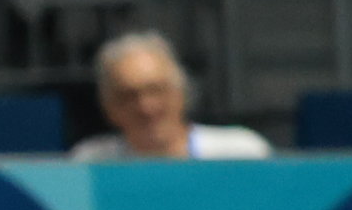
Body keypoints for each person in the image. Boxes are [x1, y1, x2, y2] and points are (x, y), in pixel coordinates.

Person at [74, 29, 272, 160]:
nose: (146, 107)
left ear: (181, 93)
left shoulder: (238, 153)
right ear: (109, 107)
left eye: (156, 90)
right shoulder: (93, 162)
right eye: (129, 96)